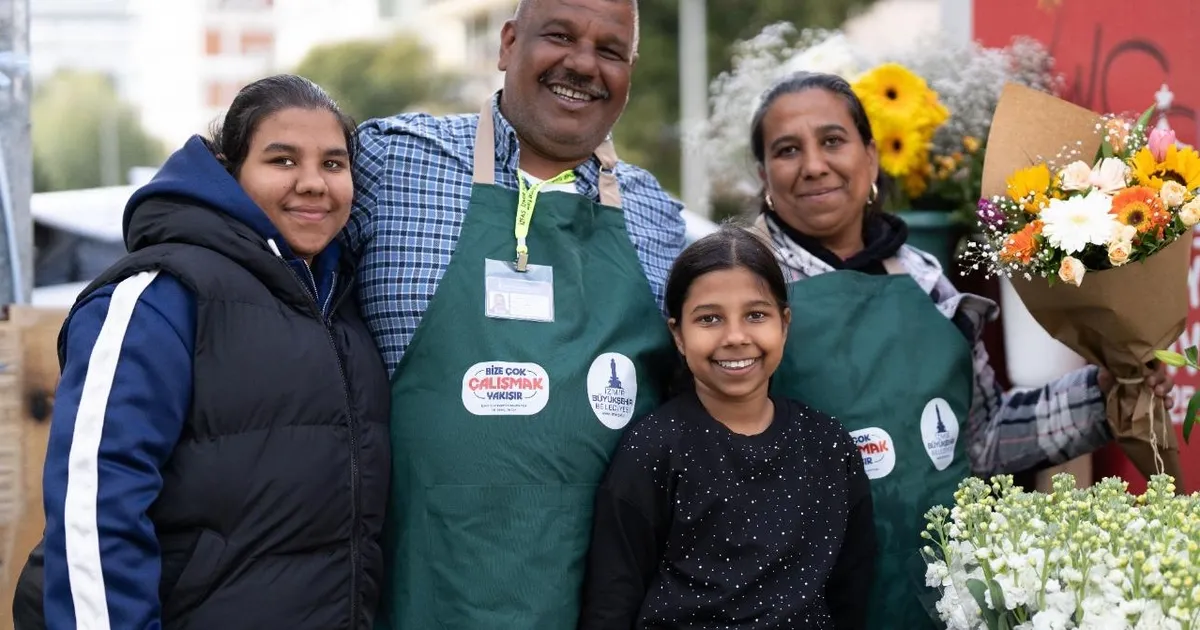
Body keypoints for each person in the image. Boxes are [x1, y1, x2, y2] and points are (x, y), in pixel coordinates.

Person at [745, 71, 1179, 628]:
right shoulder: (744, 286)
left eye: (833, 140)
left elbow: (982, 438)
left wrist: (1103, 392)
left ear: (871, 158)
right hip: (802, 606)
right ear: (764, 175)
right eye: (787, 150)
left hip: (939, 601)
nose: (813, 165)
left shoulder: (924, 279)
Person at [343, 0, 686, 626]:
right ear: (506, 44)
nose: (583, 64)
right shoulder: (391, 163)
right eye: (560, 36)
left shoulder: (658, 217)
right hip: (418, 597)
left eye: (610, 51)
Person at [11, 74, 391, 630]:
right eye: (282, 160)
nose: (313, 183)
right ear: (228, 170)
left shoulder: (346, 306)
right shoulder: (158, 296)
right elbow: (92, 517)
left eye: (333, 164)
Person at [577, 226, 875, 629]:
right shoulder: (653, 448)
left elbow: (851, 590)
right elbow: (612, 600)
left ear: (784, 323)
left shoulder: (828, 446)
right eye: (709, 319)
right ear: (678, 335)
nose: (735, 337)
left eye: (756, 315)